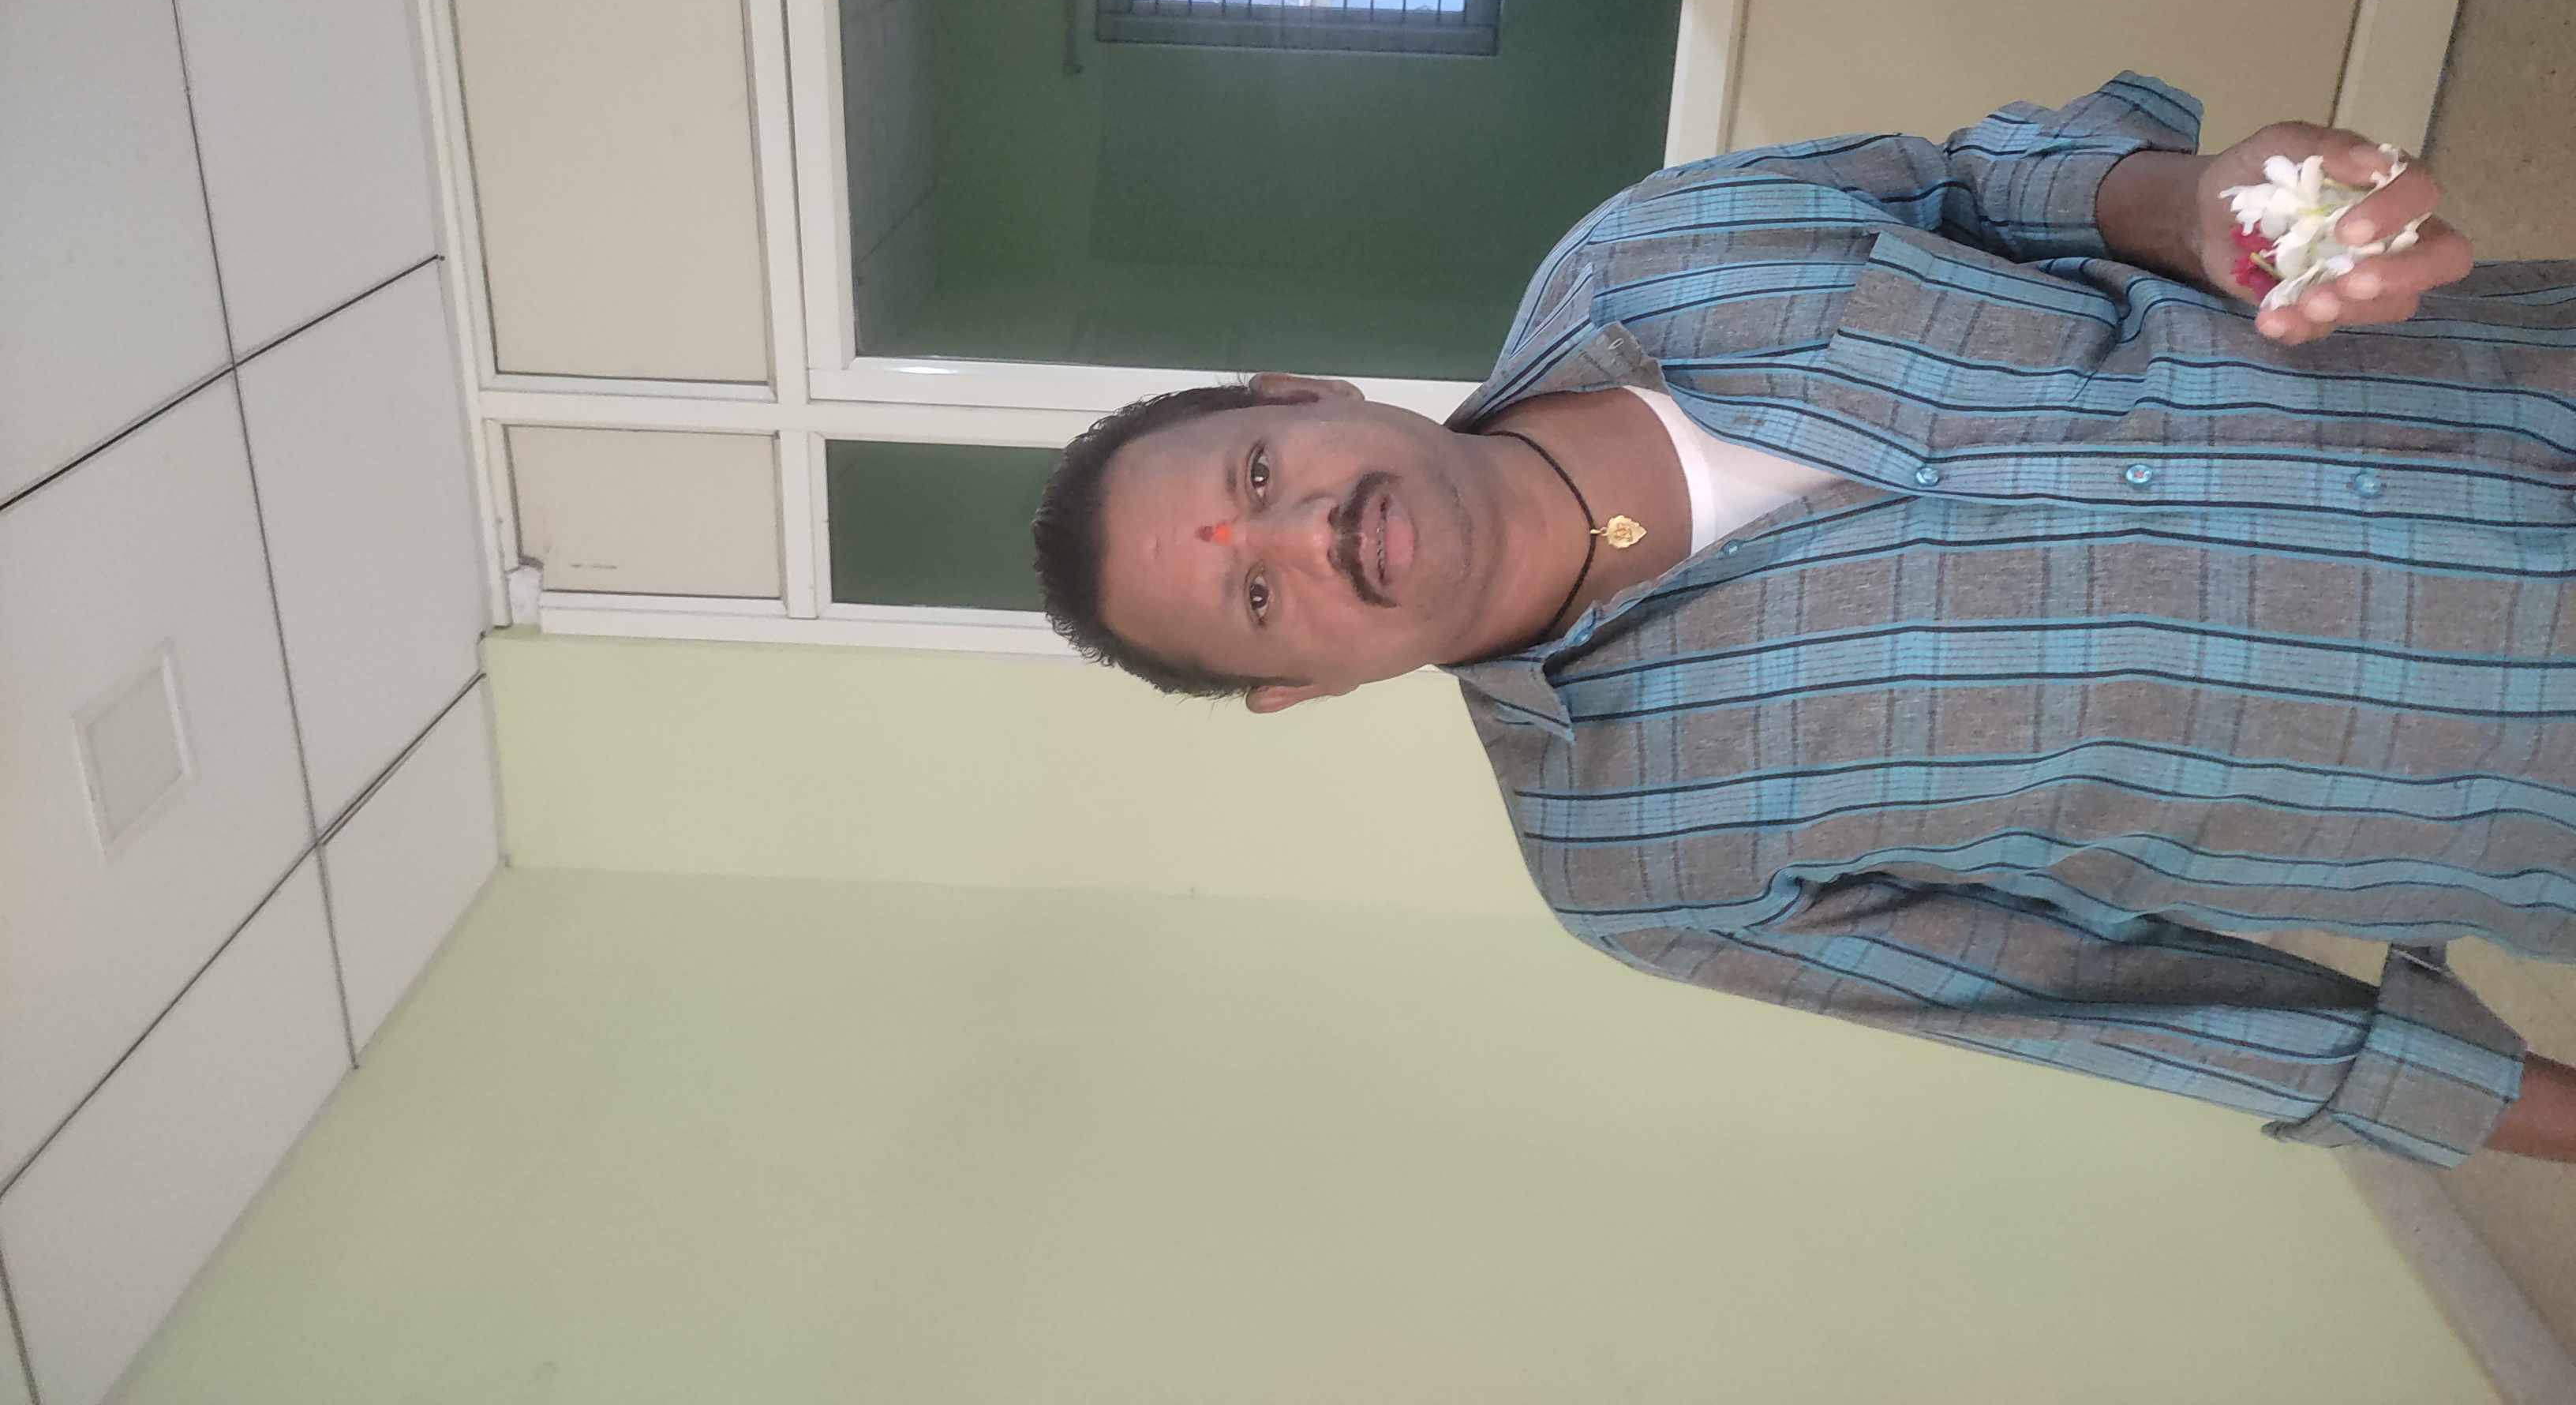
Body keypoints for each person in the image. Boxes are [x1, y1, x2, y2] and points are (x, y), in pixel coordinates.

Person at [1030, 74, 2576, 1169]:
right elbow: (2107, 1003)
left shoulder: (1650, 245)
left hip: (2517, 386)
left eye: (1258, 473)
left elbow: (1983, 186)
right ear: (1299, 688)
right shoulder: (1637, 866)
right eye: (1254, 595)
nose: (1306, 533)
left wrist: (2196, 200)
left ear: (1305, 395)